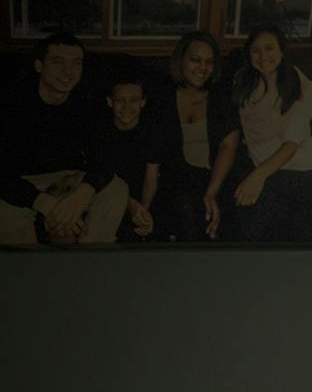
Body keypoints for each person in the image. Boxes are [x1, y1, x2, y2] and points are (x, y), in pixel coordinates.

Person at [0, 31, 129, 248]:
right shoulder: (12, 102)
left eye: (76, 63)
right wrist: (44, 203)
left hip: (70, 179)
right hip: (23, 182)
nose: (68, 72)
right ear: (39, 66)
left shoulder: (88, 101)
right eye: (58, 62)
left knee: (116, 188)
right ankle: (29, 272)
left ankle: (90, 259)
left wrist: (83, 193)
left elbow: (106, 155)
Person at [227, 26, 312, 242]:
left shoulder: (300, 84)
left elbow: (291, 144)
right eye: (255, 51)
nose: (263, 57)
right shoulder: (242, 82)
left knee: (258, 208)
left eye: (270, 48)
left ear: (282, 51)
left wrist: (257, 177)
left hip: (307, 171)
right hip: (269, 173)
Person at [153, 31, 241, 242]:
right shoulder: (161, 95)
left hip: (216, 177)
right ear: (180, 59)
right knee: (186, 207)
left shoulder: (221, 96)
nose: (203, 68)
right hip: (177, 178)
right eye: (195, 60)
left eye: (209, 62)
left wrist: (211, 193)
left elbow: (229, 145)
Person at [87, 73, 160, 242]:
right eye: (120, 100)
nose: (127, 107)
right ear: (110, 101)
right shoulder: (99, 133)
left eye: (134, 100)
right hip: (105, 196)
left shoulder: (151, 132)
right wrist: (133, 207)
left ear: (143, 102)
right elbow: (101, 179)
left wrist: (144, 211)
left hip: (140, 197)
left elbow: (151, 177)